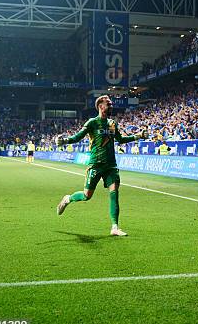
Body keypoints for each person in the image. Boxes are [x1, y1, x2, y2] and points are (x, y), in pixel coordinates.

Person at [55, 95, 148, 237]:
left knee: (114, 193)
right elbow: (78, 137)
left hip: (111, 165)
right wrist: (65, 141)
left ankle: (115, 227)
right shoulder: (92, 122)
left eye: (111, 104)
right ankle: (68, 199)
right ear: (100, 106)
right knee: (87, 196)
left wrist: (138, 136)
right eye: (108, 104)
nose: (111, 106)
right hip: (96, 164)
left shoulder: (112, 124)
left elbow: (120, 139)